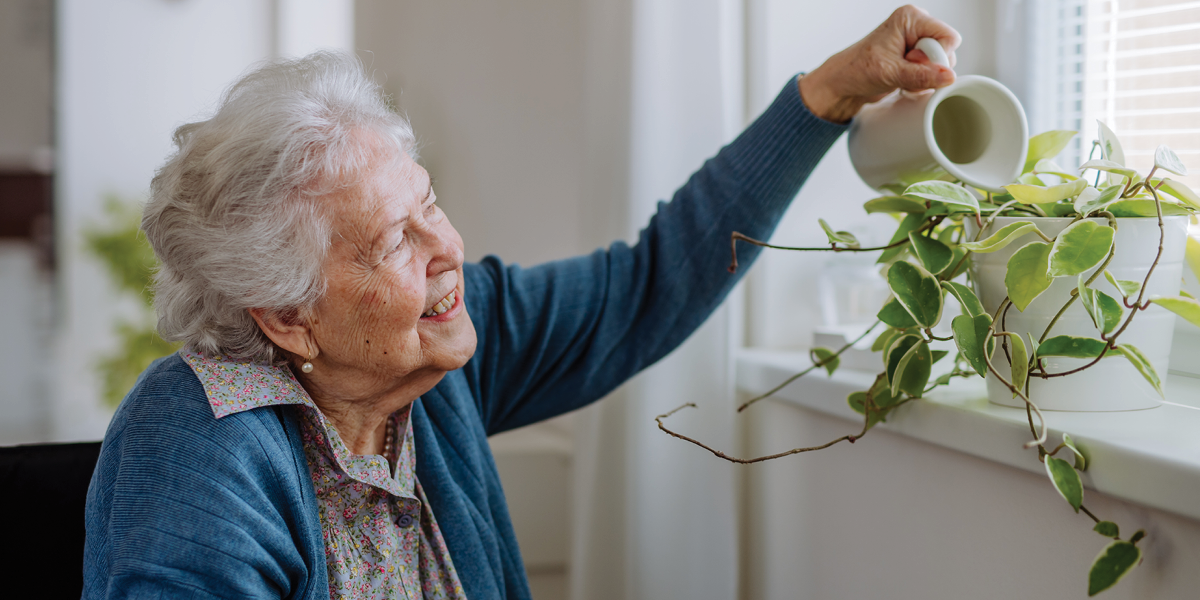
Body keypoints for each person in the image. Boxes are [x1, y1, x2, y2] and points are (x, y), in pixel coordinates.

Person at [83, 5, 959, 599]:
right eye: (395, 240)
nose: (447, 250)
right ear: (285, 315)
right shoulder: (195, 451)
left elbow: (647, 285)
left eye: (428, 203)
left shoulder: (438, 352)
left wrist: (832, 93)